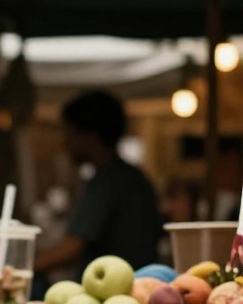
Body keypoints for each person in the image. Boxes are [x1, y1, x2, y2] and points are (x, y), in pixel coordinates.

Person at [35, 90, 163, 280]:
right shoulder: (134, 177)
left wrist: (23, 269)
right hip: (134, 286)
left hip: (116, 290)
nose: (65, 142)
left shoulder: (109, 180)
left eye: (69, 132)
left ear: (90, 135)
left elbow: (73, 246)